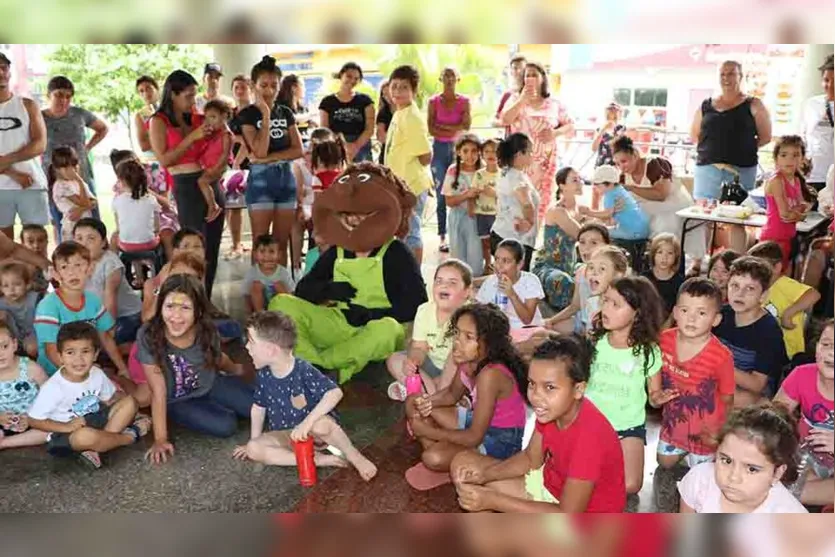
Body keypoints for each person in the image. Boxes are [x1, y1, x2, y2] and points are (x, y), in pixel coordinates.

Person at [268, 163, 427, 384]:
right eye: (349, 214)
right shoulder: (338, 250)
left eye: (362, 214)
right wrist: (328, 290)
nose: (354, 220)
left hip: (375, 329)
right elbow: (303, 291)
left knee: (387, 330)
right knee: (281, 304)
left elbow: (417, 305)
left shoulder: (396, 252)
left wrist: (371, 315)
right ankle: (318, 368)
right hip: (340, 322)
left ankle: (322, 370)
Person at [451, 335, 626, 513]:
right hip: (548, 490)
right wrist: (484, 475)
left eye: (549, 387)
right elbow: (530, 458)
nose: (536, 396)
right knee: (463, 464)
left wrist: (493, 501)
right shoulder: (551, 411)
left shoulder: (589, 438)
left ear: (578, 389)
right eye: (532, 384)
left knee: (485, 510)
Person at [233, 311, 378, 481]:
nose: (246, 347)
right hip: (288, 436)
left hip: (315, 432)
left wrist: (306, 424)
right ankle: (312, 460)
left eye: (251, 342)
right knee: (253, 449)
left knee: (322, 425)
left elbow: (334, 393)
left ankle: (355, 456)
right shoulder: (264, 375)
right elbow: (258, 408)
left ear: (271, 350)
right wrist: (254, 440)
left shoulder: (303, 370)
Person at [141, 275, 252, 464]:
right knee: (226, 426)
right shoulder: (149, 334)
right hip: (178, 399)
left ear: (199, 311)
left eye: (185, 307)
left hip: (211, 383)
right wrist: (160, 439)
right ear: (160, 307)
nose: (176, 316)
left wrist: (237, 369)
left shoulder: (207, 331)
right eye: (169, 307)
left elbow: (217, 359)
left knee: (256, 407)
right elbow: (158, 389)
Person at [406, 304, 527, 475]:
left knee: (433, 457)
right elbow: (450, 395)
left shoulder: (491, 375)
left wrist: (427, 431)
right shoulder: (467, 361)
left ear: (488, 344)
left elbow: (474, 437)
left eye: (468, 337)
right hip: (478, 422)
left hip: (502, 439)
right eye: (457, 333)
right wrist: (424, 402)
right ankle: (456, 459)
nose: (457, 341)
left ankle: (458, 459)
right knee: (413, 400)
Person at [586, 276, 671, 496]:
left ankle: (593, 481)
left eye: (616, 304)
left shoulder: (648, 351)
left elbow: (653, 395)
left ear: (637, 313)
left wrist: (658, 398)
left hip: (628, 427)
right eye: (605, 301)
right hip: (591, 423)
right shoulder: (595, 341)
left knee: (632, 485)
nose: (606, 308)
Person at [27, 322, 149, 469]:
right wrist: (66, 427)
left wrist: (129, 409)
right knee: (85, 436)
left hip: (96, 420)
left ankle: (98, 447)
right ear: (60, 356)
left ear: (96, 354)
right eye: (70, 352)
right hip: (68, 434)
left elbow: (110, 399)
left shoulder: (97, 373)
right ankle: (129, 437)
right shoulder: (53, 388)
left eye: (85, 351)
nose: (78, 360)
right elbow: (33, 420)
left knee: (130, 401)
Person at [149, 69, 225, 298]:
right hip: (184, 184)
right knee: (191, 249)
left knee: (210, 249)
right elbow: (164, 159)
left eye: (194, 95)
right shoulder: (158, 121)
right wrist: (192, 137)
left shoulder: (196, 118)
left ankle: (206, 300)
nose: (193, 101)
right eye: (188, 96)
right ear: (173, 94)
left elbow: (224, 133)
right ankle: (193, 300)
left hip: (208, 182)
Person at [657, 278, 735, 470]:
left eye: (701, 313)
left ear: (716, 319)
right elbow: (654, 376)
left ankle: (711, 455)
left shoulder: (722, 356)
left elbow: (727, 398)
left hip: (705, 431)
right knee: (663, 463)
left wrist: (722, 431)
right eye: (685, 311)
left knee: (701, 474)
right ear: (675, 312)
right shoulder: (663, 340)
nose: (691, 319)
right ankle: (683, 451)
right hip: (673, 423)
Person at [678, 402, 807, 513]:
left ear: (777, 473)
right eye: (727, 461)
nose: (733, 477)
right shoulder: (700, 480)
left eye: (751, 469)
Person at [238, 56, 304, 269]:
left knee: (280, 243)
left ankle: (281, 292)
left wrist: (270, 158)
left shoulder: (285, 111)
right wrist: (265, 115)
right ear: (254, 86)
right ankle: (255, 290)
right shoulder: (247, 114)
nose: (269, 90)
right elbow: (259, 149)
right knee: (260, 242)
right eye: (264, 85)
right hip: (260, 180)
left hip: (286, 178)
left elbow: (298, 150)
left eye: (274, 85)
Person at [34, 241, 129, 378]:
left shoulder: (93, 301)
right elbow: (51, 350)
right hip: (55, 373)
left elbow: (105, 337)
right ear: (55, 273)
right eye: (64, 267)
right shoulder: (48, 306)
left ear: (90, 268)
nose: (72, 272)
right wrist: (79, 376)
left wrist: (123, 369)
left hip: (86, 366)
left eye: (78, 265)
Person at [612, 135, 703, 273]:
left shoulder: (655, 164)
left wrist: (632, 188)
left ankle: (675, 264)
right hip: (649, 207)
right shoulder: (623, 176)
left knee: (664, 223)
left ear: (635, 154)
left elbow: (661, 195)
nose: (621, 167)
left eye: (624, 161)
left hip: (674, 203)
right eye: (617, 164)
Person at [387, 259, 472, 400]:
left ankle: (427, 394)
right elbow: (419, 347)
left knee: (455, 356)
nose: (444, 286)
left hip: (461, 371)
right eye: (439, 281)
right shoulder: (424, 310)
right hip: (432, 366)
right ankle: (433, 396)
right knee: (394, 359)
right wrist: (414, 361)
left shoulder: (471, 315)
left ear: (467, 292)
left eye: (452, 283)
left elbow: (470, 356)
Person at [500, 61, 574, 222]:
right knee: (518, 202)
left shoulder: (554, 103)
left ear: (543, 78)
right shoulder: (515, 98)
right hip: (520, 162)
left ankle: (533, 242)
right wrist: (521, 101)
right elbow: (505, 119)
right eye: (527, 75)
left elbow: (570, 125)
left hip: (545, 164)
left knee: (541, 204)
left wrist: (555, 133)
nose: (531, 78)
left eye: (534, 74)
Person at [690, 60, 772, 202]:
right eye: (722, 74)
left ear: (740, 76)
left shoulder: (754, 104)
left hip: (742, 170)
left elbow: (765, 137)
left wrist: (742, 148)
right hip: (708, 169)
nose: (726, 78)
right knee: (703, 214)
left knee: (737, 215)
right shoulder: (706, 105)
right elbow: (695, 135)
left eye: (731, 74)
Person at [713, 256, 788, 409]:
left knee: (739, 398)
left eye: (750, 289)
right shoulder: (721, 314)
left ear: (763, 296)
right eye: (735, 285)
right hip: (718, 379)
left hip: (750, 390)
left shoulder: (769, 330)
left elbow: (757, 384)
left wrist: (717, 366)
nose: (739, 294)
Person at [773, 320, 834, 507]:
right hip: (804, 458)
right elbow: (773, 418)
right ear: (816, 348)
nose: (831, 352)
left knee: (789, 493)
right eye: (826, 344)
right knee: (771, 484)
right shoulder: (802, 375)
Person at [41, 75, 108, 233]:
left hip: (82, 176)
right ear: (48, 95)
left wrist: (88, 147)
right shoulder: (39, 117)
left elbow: (102, 128)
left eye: (68, 96)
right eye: (58, 95)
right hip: (54, 180)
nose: (64, 100)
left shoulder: (79, 114)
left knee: (93, 224)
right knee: (62, 224)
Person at [385, 65, 434, 265]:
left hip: (411, 186)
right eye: (394, 86)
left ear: (414, 92)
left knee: (411, 233)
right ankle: (407, 276)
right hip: (399, 186)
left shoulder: (412, 117)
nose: (397, 91)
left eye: (404, 87)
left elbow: (426, 156)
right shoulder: (399, 113)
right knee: (403, 234)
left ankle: (415, 280)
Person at [73, 218, 143, 351]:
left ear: (103, 242)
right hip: (95, 316)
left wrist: (108, 332)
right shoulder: (75, 263)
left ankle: (131, 349)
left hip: (126, 317)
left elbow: (110, 302)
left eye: (91, 238)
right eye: (79, 238)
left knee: (102, 343)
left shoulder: (110, 263)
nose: (84, 244)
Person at [0, 51, 49, 238]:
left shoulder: (28, 105)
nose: (0, 73)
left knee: (36, 243)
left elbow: (39, 144)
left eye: (4, 68)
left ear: (9, 72)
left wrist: (6, 161)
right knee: (4, 250)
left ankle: (39, 270)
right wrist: (13, 173)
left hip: (31, 184)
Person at [748, 242, 821, 363]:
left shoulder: (784, 284)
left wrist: (789, 313)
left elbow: (814, 294)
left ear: (776, 267)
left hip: (788, 350)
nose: (755, 272)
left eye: (760, 267)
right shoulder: (757, 287)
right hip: (765, 347)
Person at [429, 67, 472, 253]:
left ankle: (462, 233)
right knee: (441, 194)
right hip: (438, 150)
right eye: (445, 76)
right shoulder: (433, 102)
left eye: (452, 76)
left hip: (458, 150)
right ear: (441, 79)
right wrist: (454, 128)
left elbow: (467, 125)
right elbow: (431, 129)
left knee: (462, 190)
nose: (449, 79)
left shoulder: (464, 101)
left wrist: (443, 126)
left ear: (458, 79)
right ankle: (442, 236)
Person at [533, 166, 586, 311]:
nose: (580, 182)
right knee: (561, 280)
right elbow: (582, 236)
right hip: (549, 268)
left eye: (579, 179)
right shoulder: (557, 211)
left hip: (570, 266)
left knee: (592, 272)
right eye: (574, 180)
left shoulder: (579, 209)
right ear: (562, 185)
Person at [760, 135, 816, 272]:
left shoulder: (796, 181)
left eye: (795, 155)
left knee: (783, 277)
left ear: (802, 159)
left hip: (787, 237)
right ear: (776, 159)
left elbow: (802, 207)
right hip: (773, 238)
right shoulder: (776, 181)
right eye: (784, 155)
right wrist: (800, 214)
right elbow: (785, 214)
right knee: (770, 278)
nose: (789, 160)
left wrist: (798, 213)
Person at [581, 164, 650, 274]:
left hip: (632, 232)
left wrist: (589, 212)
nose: (596, 188)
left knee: (600, 233)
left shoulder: (609, 195)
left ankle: (603, 263)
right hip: (643, 229)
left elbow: (607, 214)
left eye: (598, 185)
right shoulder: (620, 190)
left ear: (609, 184)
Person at [545, 239, 622, 335]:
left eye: (602, 268)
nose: (594, 273)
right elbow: (589, 336)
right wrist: (550, 322)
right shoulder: (592, 302)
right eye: (591, 267)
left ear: (618, 275)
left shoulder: (623, 305)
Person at [491, 133, 540, 271]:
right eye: (530, 152)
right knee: (515, 283)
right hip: (514, 240)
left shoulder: (508, 173)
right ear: (519, 154)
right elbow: (526, 203)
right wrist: (530, 222)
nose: (532, 155)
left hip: (504, 233)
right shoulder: (516, 179)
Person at [110, 155, 163, 283]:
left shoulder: (117, 201)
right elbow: (157, 226)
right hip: (150, 243)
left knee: (116, 237)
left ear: (122, 182)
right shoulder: (151, 199)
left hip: (127, 245)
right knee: (143, 239)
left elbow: (119, 227)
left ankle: (116, 272)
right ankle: (153, 271)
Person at [0, 319, 49, 450]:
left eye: (4, 346)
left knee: (50, 430)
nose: (0, 354)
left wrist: (31, 418)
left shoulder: (31, 368)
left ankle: (5, 443)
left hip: (32, 421)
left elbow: (50, 396)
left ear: (14, 345)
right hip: (2, 422)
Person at [476, 239, 544, 331]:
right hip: (502, 333)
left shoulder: (530, 281)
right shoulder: (490, 282)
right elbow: (480, 312)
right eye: (496, 259)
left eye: (506, 261)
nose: (498, 265)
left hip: (529, 330)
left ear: (519, 264)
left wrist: (512, 294)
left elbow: (527, 320)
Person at [442, 134, 483, 276]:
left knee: (476, 259)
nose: (470, 155)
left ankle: (475, 289)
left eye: (474, 151)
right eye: (465, 151)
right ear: (458, 152)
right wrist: (467, 195)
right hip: (457, 219)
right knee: (458, 258)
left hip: (479, 220)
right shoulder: (453, 171)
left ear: (479, 152)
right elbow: (449, 201)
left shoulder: (484, 171)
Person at [318, 62, 375, 162]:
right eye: (349, 76)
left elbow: (369, 129)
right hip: (336, 146)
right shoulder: (327, 102)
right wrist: (343, 145)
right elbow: (325, 129)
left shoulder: (365, 100)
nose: (352, 80)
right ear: (341, 76)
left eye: (356, 78)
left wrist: (355, 146)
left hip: (361, 146)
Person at [225, 74, 253, 261]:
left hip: (249, 164)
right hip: (232, 165)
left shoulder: (254, 112)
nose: (239, 91)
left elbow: (248, 141)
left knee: (256, 206)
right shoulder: (232, 113)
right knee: (232, 207)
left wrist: (237, 163)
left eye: (243, 87)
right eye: (236, 87)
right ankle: (236, 244)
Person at [48, 146, 97, 242]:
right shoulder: (60, 186)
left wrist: (80, 210)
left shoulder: (79, 182)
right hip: (71, 228)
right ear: (57, 169)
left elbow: (94, 202)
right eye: (66, 167)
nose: (73, 170)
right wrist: (79, 180)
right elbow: (85, 203)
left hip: (85, 225)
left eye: (74, 165)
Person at [196, 99, 233, 223]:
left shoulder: (226, 135)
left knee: (202, 182)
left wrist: (216, 168)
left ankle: (213, 206)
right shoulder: (215, 133)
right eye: (207, 118)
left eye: (213, 117)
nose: (209, 121)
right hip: (210, 165)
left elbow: (225, 154)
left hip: (218, 166)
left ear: (224, 116)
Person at [800, 54, 833, 192]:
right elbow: (801, 137)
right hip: (814, 177)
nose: (830, 85)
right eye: (826, 80)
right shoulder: (812, 104)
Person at [642, 233, 685, 326]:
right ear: (653, 254)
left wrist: (666, 326)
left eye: (670, 253)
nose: (664, 258)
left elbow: (678, 307)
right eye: (660, 252)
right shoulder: (644, 278)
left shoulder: (680, 282)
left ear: (676, 256)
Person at [471, 138, 500, 273]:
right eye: (487, 151)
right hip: (482, 213)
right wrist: (471, 205)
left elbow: (507, 196)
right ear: (482, 154)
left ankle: (498, 264)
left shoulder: (504, 174)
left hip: (498, 215)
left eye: (494, 151)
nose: (490, 154)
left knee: (498, 242)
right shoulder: (479, 174)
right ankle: (488, 264)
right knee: (485, 242)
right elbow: (472, 192)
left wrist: (494, 193)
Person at [245, 234, 295, 312]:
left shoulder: (283, 272)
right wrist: (248, 312)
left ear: (279, 255)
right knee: (256, 286)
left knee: (279, 285)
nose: (267, 256)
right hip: (260, 307)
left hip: (279, 307)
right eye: (262, 251)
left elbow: (292, 293)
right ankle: (260, 315)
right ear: (255, 255)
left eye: (271, 251)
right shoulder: (252, 272)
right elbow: (246, 295)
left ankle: (283, 313)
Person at [0, 261, 39, 358]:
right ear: (1, 288)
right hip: (11, 340)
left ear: (27, 285)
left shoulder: (36, 299)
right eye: (6, 286)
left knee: (32, 348)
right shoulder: (1, 304)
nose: (11, 290)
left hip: (34, 336)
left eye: (17, 284)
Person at [277, 74, 313, 143]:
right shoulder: (282, 107)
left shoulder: (303, 108)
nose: (305, 89)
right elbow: (293, 119)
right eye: (302, 85)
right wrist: (309, 116)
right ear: (293, 88)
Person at [493, 55, 526, 130]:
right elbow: (496, 119)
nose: (519, 71)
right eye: (515, 68)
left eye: (522, 68)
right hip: (511, 138)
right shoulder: (507, 95)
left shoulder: (535, 94)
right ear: (511, 71)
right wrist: (505, 121)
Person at [591, 102, 626, 169]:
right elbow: (593, 148)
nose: (612, 114)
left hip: (617, 166)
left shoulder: (622, 129)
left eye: (615, 112)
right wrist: (603, 130)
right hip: (601, 164)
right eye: (610, 111)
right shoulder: (600, 129)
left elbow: (623, 147)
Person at [375, 80, 394, 165]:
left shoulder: (407, 111)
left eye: (388, 93)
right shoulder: (383, 113)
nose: (386, 96)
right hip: (387, 154)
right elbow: (381, 137)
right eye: (384, 94)